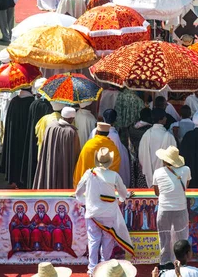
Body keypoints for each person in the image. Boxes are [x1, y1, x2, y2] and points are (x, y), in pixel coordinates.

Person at [75, 147, 134, 275]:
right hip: (108, 214)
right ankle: (104, 268)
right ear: (109, 161)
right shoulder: (114, 175)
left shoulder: (89, 173)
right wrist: (122, 199)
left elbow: (78, 192)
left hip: (92, 214)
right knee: (107, 240)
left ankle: (92, 270)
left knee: (93, 241)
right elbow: (123, 193)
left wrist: (85, 203)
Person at [152, 146, 191, 267]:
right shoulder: (186, 170)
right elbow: (186, 185)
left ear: (164, 160)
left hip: (164, 209)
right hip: (180, 208)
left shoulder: (158, 172)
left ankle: (164, 263)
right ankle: (181, 262)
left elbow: (157, 192)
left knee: (164, 237)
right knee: (181, 237)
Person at [33, 107, 81, 189]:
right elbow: (75, 154)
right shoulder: (71, 132)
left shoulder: (50, 127)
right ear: (72, 119)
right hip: (64, 165)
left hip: (50, 162)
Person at [0, 86, 34, 188]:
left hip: (14, 137)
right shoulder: (31, 102)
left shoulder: (14, 101)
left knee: (14, 157)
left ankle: (13, 180)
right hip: (25, 138)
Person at [73, 122, 121, 188]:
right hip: (106, 187)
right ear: (108, 133)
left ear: (97, 132)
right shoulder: (113, 147)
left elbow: (82, 164)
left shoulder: (89, 145)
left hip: (88, 185)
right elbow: (115, 166)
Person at [139, 108, 177, 187]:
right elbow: (174, 158)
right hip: (165, 175)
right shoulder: (169, 136)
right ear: (161, 119)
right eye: (165, 117)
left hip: (149, 173)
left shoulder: (146, 135)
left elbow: (141, 155)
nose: (166, 118)